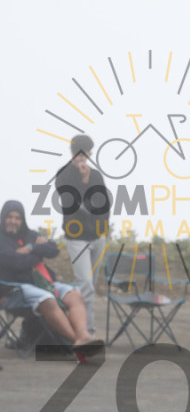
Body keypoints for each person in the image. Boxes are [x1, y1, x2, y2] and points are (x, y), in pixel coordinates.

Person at [0, 200, 101, 353]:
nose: (13, 221)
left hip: (43, 281)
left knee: (74, 295)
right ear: (3, 217)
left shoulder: (30, 235)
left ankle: (83, 336)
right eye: (9, 217)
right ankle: (76, 342)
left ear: (22, 220)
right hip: (15, 288)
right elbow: (13, 262)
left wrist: (30, 248)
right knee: (47, 299)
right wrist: (38, 254)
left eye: (17, 218)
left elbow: (53, 249)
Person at [53, 134, 110, 336]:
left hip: (98, 237)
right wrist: (84, 181)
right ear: (73, 152)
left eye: (86, 152)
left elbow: (104, 204)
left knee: (90, 285)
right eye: (80, 152)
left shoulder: (96, 176)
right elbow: (73, 204)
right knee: (85, 284)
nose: (83, 156)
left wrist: (104, 229)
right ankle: (87, 331)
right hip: (77, 238)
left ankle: (81, 324)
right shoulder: (63, 176)